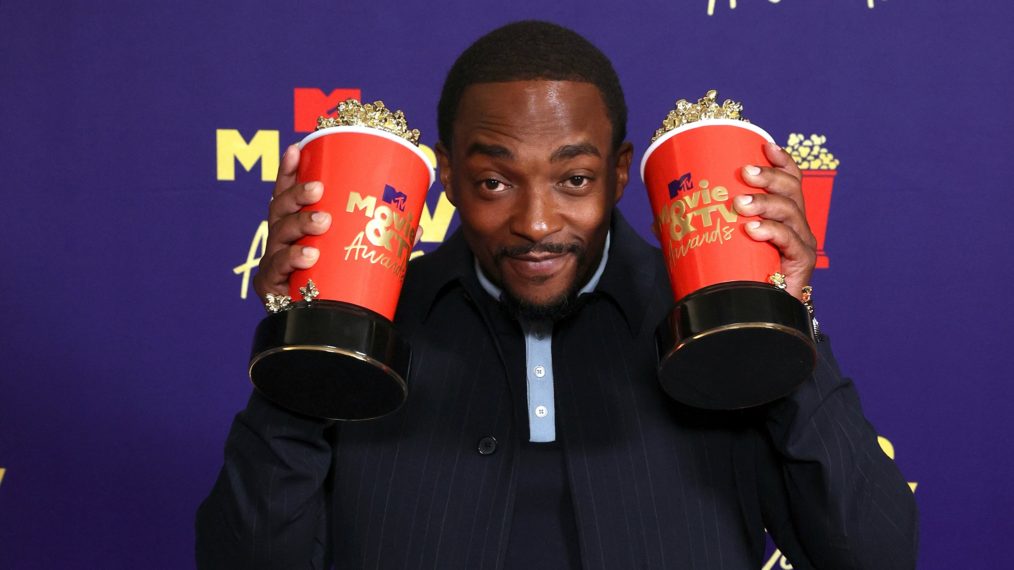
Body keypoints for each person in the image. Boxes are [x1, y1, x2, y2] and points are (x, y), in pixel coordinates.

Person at [196, 21, 918, 569]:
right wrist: (305, 331)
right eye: (494, 182)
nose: (536, 223)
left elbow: (872, 554)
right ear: (446, 177)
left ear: (619, 174)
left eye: (573, 179)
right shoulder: (375, 321)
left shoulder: (709, 322)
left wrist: (784, 315)